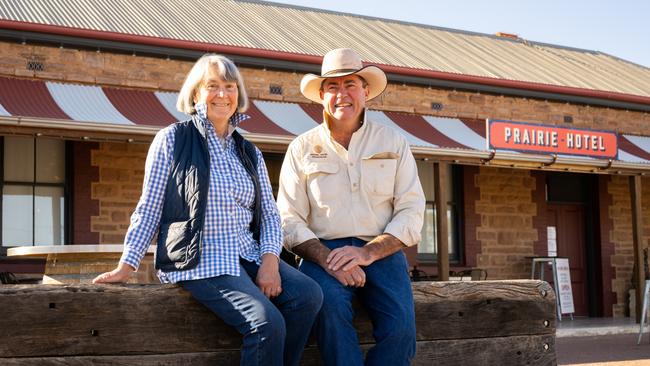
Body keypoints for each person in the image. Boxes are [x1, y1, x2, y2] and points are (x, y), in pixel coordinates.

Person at [93, 54, 323, 366]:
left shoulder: (248, 150)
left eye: (230, 86)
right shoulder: (173, 139)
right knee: (266, 323)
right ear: (196, 93)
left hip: (247, 253)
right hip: (199, 258)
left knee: (309, 296)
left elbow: (269, 214)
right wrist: (127, 265)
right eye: (212, 86)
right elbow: (150, 206)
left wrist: (270, 261)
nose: (222, 94)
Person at [277, 48, 425, 366]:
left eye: (350, 85)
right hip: (322, 252)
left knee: (401, 328)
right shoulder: (301, 148)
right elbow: (287, 218)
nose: (341, 94)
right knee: (328, 311)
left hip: (382, 251)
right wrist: (328, 260)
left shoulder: (393, 143)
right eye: (333, 87)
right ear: (321, 95)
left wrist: (367, 253)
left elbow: (412, 211)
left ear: (365, 91)